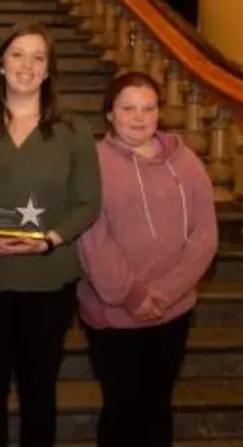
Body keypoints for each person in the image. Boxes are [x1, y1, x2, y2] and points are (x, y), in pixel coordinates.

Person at [0, 21, 101, 447]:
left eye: (39, 57)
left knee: (40, 392)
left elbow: (88, 203)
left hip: (48, 282)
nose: (28, 65)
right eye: (18, 54)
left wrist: (49, 239)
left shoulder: (74, 132)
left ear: (49, 70)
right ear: (0, 65)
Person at [77, 71, 217, 447]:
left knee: (158, 407)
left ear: (159, 112)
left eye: (148, 108)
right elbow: (92, 238)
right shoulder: (92, 162)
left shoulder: (186, 161)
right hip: (113, 313)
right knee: (122, 410)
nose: (139, 117)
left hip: (172, 310)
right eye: (128, 108)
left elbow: (205, 234)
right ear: (110, 113)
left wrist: (166, 293)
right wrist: (134, 294)